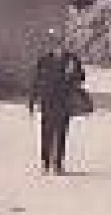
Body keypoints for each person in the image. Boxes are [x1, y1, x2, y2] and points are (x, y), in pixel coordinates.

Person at [27, 27, 87, 176]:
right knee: (46, 133)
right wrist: (32, 101)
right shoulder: (44, 60)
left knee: (61, 133)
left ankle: (58, 164)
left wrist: (73, 73)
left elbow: (81, 78)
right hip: (47, 101)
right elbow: (36, 81)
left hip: (64, 101)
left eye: (59, 42)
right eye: (54, 42)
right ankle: (45, 163)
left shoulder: (72, 60)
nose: (57, 45)